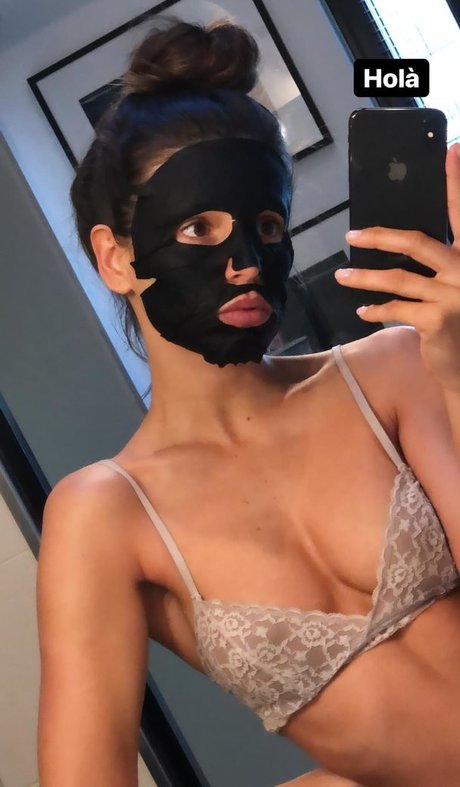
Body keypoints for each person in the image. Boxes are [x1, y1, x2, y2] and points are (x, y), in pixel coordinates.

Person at [36, 17, 460, 787]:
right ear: (115, 258)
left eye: (267, 224)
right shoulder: (106, 514)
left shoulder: (395, 369)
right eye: (200, 226)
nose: (245, 263)